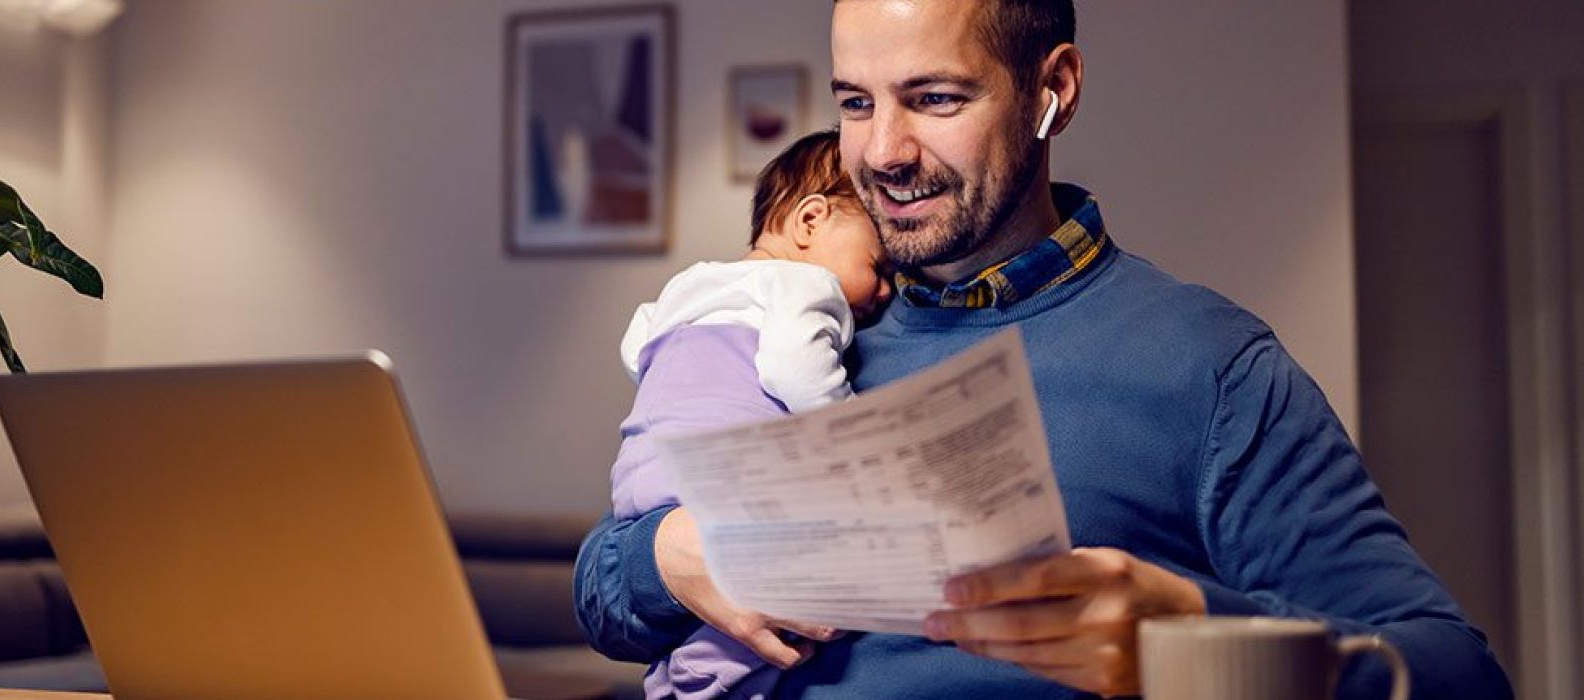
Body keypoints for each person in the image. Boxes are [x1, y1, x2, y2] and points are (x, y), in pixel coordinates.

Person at [573, 1, 1516, 698]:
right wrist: (664, 559)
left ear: (1051, 92)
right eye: (856, 103)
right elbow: (603, 592)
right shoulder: (809, 323)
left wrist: (1191, 635)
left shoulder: (1210, 368)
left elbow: (1453, 672)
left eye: (934, 98)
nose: (883, 152)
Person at [610, 130, 890, 699]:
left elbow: (636, 345)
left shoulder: (690, 283)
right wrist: (856, 429)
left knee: (709, 606)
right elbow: (793, 368)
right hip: (726, 471)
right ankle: (702, 685)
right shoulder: (807, 286)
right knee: (808, 585)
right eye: (879, 265)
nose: (886, 291)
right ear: (810, 222)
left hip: (643, 473)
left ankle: (678, 674)